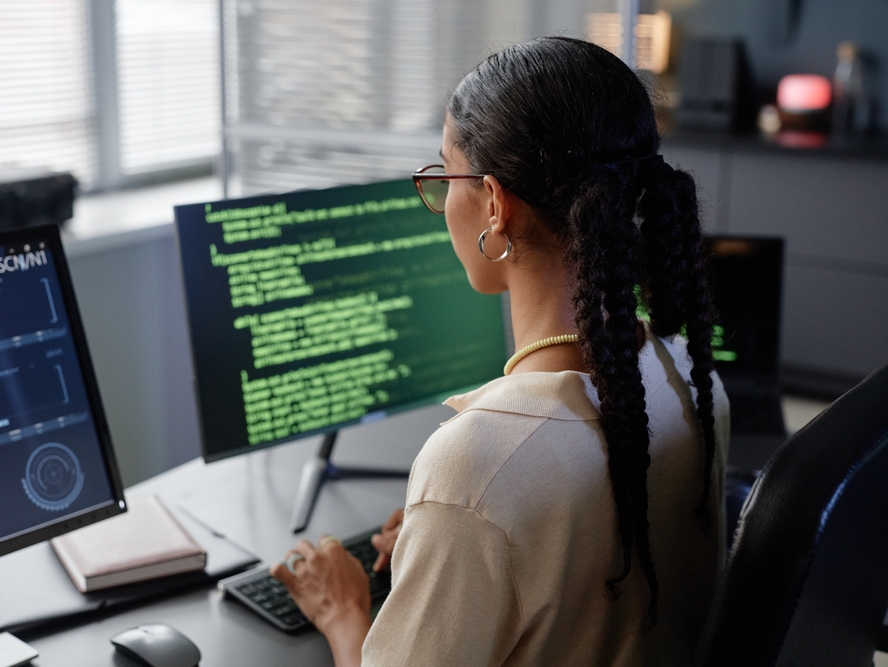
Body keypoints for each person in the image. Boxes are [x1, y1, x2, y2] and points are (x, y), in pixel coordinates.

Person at [270, 36, 730, 667]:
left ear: (494, 203)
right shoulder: (691, 380)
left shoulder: (477, 467)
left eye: (444, 175)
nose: (441, 202)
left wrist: (342, 611)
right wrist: (454, 542)